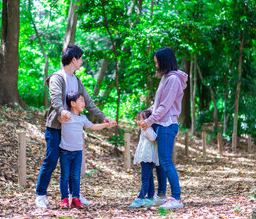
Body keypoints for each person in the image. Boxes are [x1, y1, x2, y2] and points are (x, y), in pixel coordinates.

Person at [35, 44, 116, 209]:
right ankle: (41, 195)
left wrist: (103, 117)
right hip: (57, 127)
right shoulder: (57, 77)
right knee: (51, 160)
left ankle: (75, 196)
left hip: (72, 130)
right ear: (74, 59)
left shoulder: (77, 81)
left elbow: (88, 102)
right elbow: (55, 98)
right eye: (80, 58)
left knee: (73, 166)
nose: (82, 61)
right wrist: (62, 111)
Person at [137, 47, 188, 210]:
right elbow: (158, 104)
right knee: (160, 163)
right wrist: (145, 113)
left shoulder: (173, 79)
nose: (156, 64)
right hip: (161, 123)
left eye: (157, 61)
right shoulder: (166, 77)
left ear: (164, 61)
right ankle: (161, 196)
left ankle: (177, 198)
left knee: (165, 161)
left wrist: (149, 121)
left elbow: (165, 106)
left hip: (167, 125)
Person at [59, 91, 115, 208]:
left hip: (78, 152)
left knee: (75, 175)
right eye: (82, 100)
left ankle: (75, 198)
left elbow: (93, 127)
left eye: (84, 100)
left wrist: (106, 125)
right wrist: (64, 116)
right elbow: (60, 120)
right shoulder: (67, 115)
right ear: (73, 103)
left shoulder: (83, 118)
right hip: (65, 151)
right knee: (64, 176)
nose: (84, 103)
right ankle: (64, 199)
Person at [129, 109, 167, 208]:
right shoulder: (144, 128)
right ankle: (150, 198)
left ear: (147, 120)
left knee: (145, 179)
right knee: (149, 178)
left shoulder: (148, 129)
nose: (138, 121)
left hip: (148, 157)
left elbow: (153, 138)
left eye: (140, 119)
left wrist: (146, 128)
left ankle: (141, 198)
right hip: (145, 156)